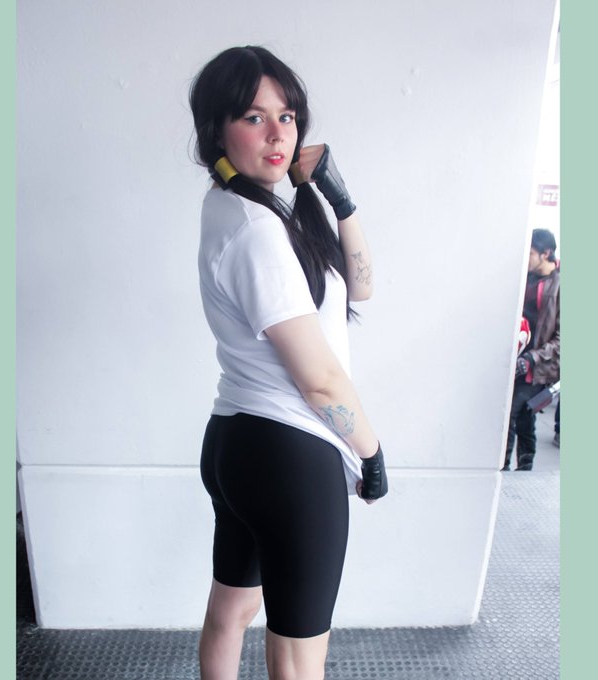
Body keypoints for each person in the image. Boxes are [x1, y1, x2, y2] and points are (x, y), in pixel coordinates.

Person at [189, 46, 388, 680]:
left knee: (231, 612)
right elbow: (319, 379)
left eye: (288, 116)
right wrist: (370, 452)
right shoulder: (258, 231)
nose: (278, 134)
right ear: (217, 129)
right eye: (254, 117)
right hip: (289, 457)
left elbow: (360, 289)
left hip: (236, 442)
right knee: (300, 660)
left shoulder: (241, 207)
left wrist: (338, 200)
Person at [502, 228, 560, 471]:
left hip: (538, 367)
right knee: (525, 416)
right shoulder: (523, 277)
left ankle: (503, 467)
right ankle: (524, 468)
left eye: (531, 253)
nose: (527, 257)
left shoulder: (560, 285)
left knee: (510, 414)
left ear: (545, 253)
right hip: (514, 358)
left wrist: (533, 358)